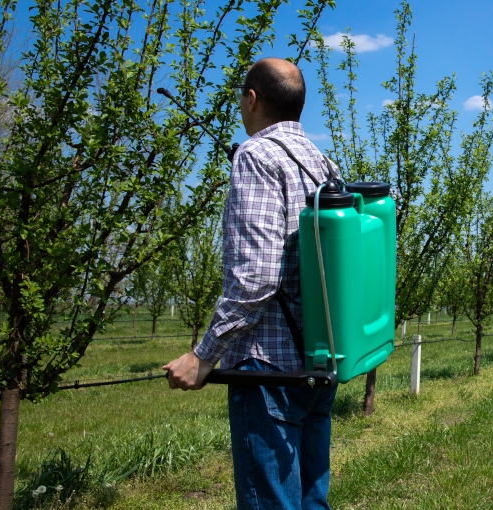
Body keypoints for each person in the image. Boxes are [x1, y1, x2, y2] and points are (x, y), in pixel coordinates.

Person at [163, 57, 338, 510]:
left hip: (267, 372)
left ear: (252, 98)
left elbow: (255, 279)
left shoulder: (256, 156)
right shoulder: (324, 165)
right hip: (318, 364)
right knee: (311, 502)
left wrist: (203, 356)